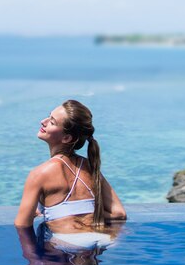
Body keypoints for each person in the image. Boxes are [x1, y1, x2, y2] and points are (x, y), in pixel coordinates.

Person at [14, 100, 126, 236]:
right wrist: (83, 213)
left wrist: (34, 257)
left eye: (52, 122)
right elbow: (119, 213)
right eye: (49, 116)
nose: (43, 121)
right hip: (102, 239)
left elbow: (22, 226)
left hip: (69, 244)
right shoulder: (90, 167)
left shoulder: (39, 174)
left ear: (67, 138)